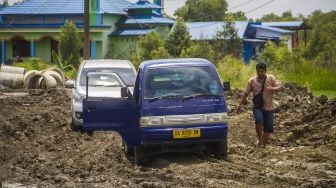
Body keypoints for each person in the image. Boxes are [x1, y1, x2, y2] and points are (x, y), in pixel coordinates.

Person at [237, 62, 281, 148]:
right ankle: (260, 139)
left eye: (262, 71)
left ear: (265, 71)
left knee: (268, 129)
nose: (260, 73)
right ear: (256, 71)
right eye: (258, 71)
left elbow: (279, 88)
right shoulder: (252, 81)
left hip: (269, 107)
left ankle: (263, 146)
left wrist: (272, 88)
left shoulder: (271, 78)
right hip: (257, 106)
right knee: (259, 120)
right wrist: (240, 105)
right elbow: (246, 93)